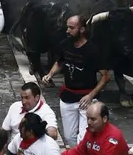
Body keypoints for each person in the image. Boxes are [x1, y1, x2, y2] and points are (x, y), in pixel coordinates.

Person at [43, 15, 110, 147]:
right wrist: (50, 74)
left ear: (82, 29)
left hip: (86, 99)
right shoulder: (64, 44)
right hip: (68, 96)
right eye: (67, 27)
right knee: (69, 137)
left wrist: (91, 95)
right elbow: (60, 62)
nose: (67, 30)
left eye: (71, 28)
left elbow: (105, 76)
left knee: (84, 137)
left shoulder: (93, 50)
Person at [62, 101, 129, 155]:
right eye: (87, 118)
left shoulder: (112, 138)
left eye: (93, 119)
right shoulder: (91, 131)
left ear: (104, 119)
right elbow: (79, 151)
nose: (89, 122)